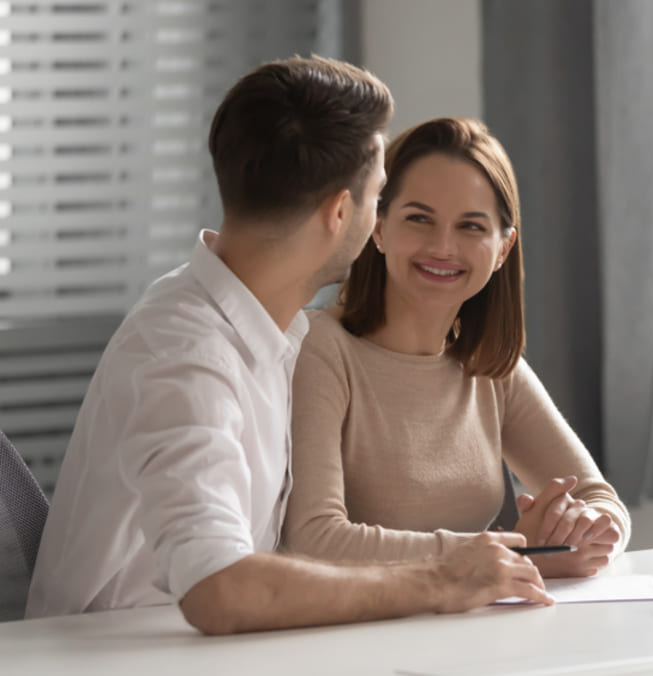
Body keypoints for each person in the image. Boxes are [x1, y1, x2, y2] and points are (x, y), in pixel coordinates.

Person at [26, 57, 551, 633]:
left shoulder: (262, 330)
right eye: (380, 196)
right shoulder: (185, 355)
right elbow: (219, 590)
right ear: (341, 213)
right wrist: (441, 578)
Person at [282, 117, 630, 578]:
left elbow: (603, 502)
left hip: (470, 630)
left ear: (503, 249)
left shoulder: (488, 364)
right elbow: (316, 540)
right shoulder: (318, 348)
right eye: (419, 219)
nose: (442, 247)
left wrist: (584, 530)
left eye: (470, 226)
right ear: (379, 228)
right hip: (352, 639)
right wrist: (510, 553)